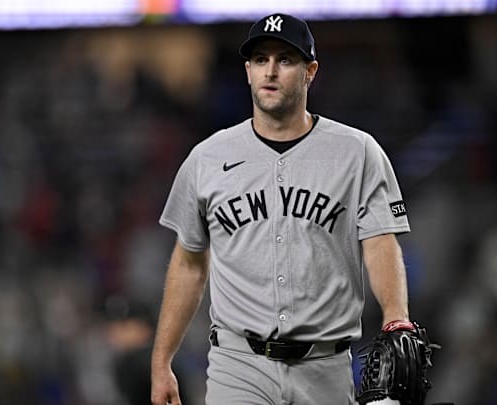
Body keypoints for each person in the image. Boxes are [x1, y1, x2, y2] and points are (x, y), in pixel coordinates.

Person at [151, 13, 414, 405]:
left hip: (325, 366)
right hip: (238, 365)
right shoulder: (207, 158)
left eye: (285, 60)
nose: (270, 71)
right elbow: (189, 262)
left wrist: (396, 316)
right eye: (260, 60)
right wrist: (161, 360)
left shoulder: (357, 152)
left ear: (310, 71)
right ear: (247, 71)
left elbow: (379, 242)